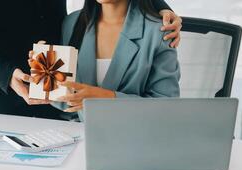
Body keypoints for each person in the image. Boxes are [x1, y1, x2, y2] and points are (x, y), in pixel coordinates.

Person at [0, 0, 181, 120]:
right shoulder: (76, 25)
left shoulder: (73, 27)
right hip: (3, 84)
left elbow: (164, 108)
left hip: (57, 63)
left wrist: (158, 10)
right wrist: (5, 69)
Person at [51, 0, 180, 120]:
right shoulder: (72, 23)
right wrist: (44, 87)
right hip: (78, 135)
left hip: (134, 134)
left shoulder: (159, 31)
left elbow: (166, 107)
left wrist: (106, 98)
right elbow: (70, 102)